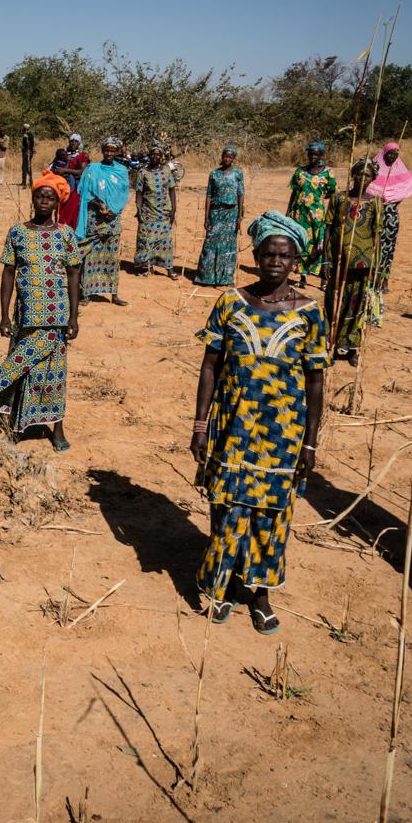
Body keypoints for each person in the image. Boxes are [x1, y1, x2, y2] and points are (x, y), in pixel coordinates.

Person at [190, 211, 326, 633]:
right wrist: (199, 425)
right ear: (256, 254)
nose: (274, 261)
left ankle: (261, 594)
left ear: (295, 261)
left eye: (283, 256)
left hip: (284, 434)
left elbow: (316, 381)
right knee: (227, 508)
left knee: (272, 514)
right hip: (232, 427)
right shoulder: (230, 302)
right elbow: (210, 367)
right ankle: (225, 586)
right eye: (267, 253)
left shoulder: (309, 313)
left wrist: (310, 443)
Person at [0, 172, 82, 450]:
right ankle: (18, 423)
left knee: (55, 374)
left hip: (56, 317)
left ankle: (57, 428)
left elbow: (73, 275)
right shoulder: (17, 232)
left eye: (50, 197)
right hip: (26, 316)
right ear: (32, 198)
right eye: (39, 195)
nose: (44, 201)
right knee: (22, 370)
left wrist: (73, 316)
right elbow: (8, 273)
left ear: (58, 202)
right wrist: (3, 314)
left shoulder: (66, 234)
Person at [321, 159, 384, 365]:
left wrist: (379, 269)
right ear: (353, 175)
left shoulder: (375, 202)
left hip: (363, 264)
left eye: (367, 175)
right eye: (359, 174)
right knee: (334, 302)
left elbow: (378, 236)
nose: (362, 179)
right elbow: (328, 228)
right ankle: (330, 345)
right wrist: (325, 261)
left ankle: (351, 348)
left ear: (373, 179)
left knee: (357, 305)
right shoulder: (339, 198)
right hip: (339, 261)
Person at [76, 137, 132, 305]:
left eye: (112, 150)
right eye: (106, 150)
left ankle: (113, 294)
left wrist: (114, 211)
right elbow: (83, 193)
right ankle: (84, 293)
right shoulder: (92, 169)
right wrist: (97, 203)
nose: (109, 153)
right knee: (90, 254)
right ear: (102, 150)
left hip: (113, 219)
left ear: (117, 152)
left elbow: (124, 195)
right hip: (94, 218)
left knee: (112, 257)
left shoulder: (122, 171)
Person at [365, 141, 412, 317]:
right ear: (384, 152)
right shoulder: (374, 167)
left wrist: (393, 199)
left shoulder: (399, 168)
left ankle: (384, 279)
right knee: (372, 247)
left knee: (388, 248)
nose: (393, 156)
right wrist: (379, 198)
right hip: (373, 214)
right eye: (390, 153)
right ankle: (371, 277)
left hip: (391, 217)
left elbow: (408, 185)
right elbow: (364, 186)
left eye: (396, 153)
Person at [285, 142, 336, 287]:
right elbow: (294, 192)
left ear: (321, 155)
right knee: (301, 242)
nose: (313, 156)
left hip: (317, 214)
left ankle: (323, 277)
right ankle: (302, 277)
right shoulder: (300, 172)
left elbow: (331, 192)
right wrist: (289, 211)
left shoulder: (328, 172)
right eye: (310, 154)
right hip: (299, 214)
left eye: (316, 154)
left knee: (320, 244)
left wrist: (316, 200)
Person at [194, 146, 246, 287]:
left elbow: (240, 195)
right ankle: (206, 277)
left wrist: (240, 216)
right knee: (210, 243)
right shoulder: (214, 174)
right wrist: (206, 217)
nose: (227, 159)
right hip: (216, 213)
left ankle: (226, 278)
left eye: (230, 157)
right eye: (225, 156)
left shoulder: (238, 174)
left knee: (228, 245)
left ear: (233, 158)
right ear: (222, 156)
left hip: (231, 213)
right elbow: (209, 196)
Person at [132, 146, 180, 279]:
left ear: (161, 157)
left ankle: (169, 269)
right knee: (146, 240)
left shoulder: (166, 171)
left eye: (158, 155)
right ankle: (148, 267)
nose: (155, 157)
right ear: (149, 156)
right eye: (152, 154)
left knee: (166, 241)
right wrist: (139, 209)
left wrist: (174, 209)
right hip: (148, 212)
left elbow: (172, 190)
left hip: (164, 211)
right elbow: (139, 193)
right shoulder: (143, 172)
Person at [53, 135, 89, 228]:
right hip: (64, 186)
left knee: (73, 210)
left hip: (77, 187)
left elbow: (82, 172)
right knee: (63, 210)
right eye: (71, 141)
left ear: (79, 143)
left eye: (76, 141)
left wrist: (66, 171)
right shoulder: (64, 153)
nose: (73, 143)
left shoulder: (83, 155)